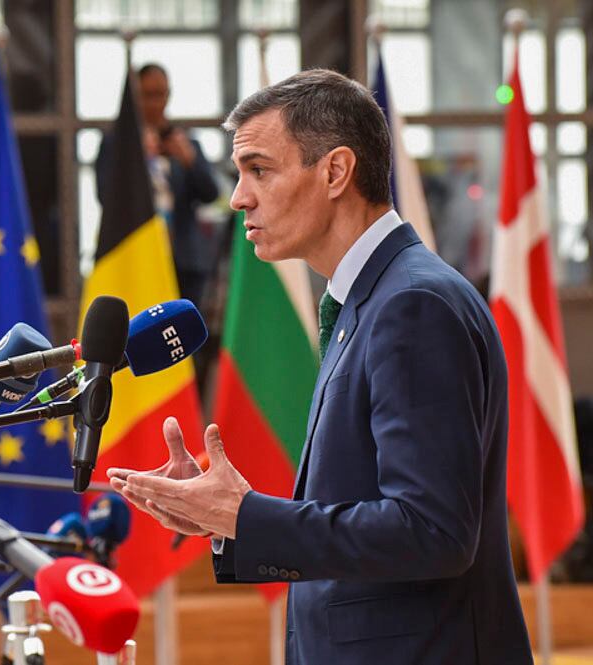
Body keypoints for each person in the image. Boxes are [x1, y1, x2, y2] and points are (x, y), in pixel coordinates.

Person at [108, 69, 532, 664]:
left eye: (259, 169)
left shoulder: (412, 305)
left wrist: (246, 516)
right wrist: (227, 516)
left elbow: (433, 532)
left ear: (335, 171)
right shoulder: (370, 297)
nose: (237, 197)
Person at [96, 63, 219, 308]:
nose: (154, 103)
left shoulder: (183, 140)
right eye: (147, 95)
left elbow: (211, 194)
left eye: (160, 94)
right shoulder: (116, 144)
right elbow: (105, 198)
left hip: (183, 259)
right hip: (137, 256)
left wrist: (190, 162)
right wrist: (137, 161)